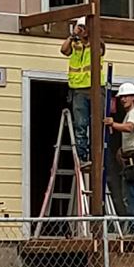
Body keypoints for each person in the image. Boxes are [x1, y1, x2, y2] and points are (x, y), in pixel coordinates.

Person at [107, 81, 134, 236]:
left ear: (133, 97)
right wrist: (122, 150)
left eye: (126, 96)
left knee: (130, 196)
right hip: (133, 159)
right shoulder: (130, 113)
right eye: (121, 97)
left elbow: (129, 127)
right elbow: (132, 135)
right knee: (132, 195)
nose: (123, 99)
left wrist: (113, 124)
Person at [59, 17, 95, 162]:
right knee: (80, 125)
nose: (82, 30)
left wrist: (89, 34)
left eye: (84, 27)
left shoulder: (95, 42)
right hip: (78, 90)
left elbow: (99, 49)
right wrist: (73, 35)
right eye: (80, 27)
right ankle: (81, 156)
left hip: (93, 88)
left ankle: (96, 155)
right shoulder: (75, 44)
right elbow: (63, 50)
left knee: (96, 125)